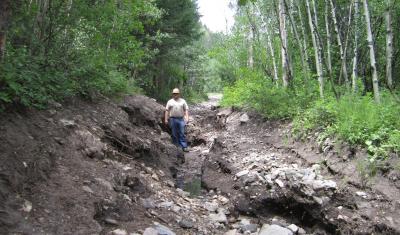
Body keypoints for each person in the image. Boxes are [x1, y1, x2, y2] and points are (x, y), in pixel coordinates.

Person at [165, 88, 189, 152]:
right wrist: (166, 119)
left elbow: (186, 109)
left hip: (181, 119)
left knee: (182, 133)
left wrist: (187, 117)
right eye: (174, 93)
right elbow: (167, 111)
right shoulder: (170, 101)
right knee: (174, 133)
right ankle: (176, 146)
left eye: (176, 93)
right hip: (172, 119)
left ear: (179, 94)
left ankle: (184, 146)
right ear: (172, 94)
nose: (175, 95)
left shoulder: (183, 101)